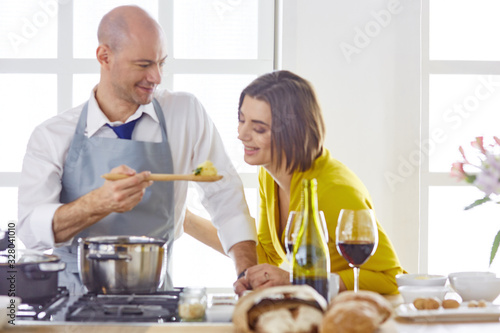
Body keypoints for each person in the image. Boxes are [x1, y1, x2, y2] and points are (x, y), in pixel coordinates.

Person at [17, 5, 257, 294]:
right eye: (144, 65)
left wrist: (247, 273)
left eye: (161, 63)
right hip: (73, 302)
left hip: (156, 298)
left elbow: (225, 198)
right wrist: (98, 203)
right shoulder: (52, 135)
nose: (156, 76)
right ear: (104, 57)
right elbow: (31, 231)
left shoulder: (185, 113)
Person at [232, 70, 405, 296]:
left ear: (292, 131)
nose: (241, 134)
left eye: (259, 128)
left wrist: (298, 282)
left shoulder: (335, 190)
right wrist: (185, 220)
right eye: (241, 120)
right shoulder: (269, 174)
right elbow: (267, 255)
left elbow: (390, 278)